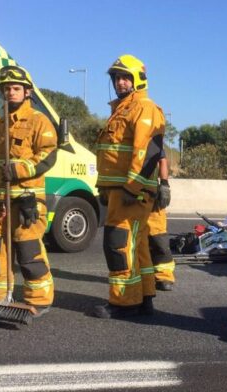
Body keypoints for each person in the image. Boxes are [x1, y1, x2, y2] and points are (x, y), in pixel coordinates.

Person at [0, 65, 56, 317]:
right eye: (6, 89)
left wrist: (20, 169)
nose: (10, 93)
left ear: (27, 92)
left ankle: (39, 299)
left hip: (27, 200)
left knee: (28, 251)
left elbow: (48, 155)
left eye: (15, 88)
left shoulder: (38, 121)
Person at [91, 54, 165, 319]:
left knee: (118, 245)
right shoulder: (122, 109)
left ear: (138, 80)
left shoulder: (143, 108)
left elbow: (146, 154)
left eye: (125, 77)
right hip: (118, 190)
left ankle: (125, 302)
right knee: (137, 246)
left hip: (131, 192)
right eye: (116, 78)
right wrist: (105, 187)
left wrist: (131, 190)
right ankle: (144, 298)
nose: (120, 83)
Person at [147, 154, 175, 291]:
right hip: (128, 193)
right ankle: (140, 275)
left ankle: (163, 276)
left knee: (158, 239)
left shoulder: (150, 135)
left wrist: (164, 184)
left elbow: (162, 158)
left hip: (150, 193)